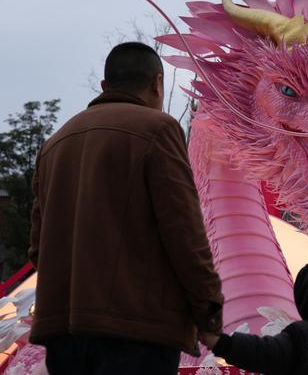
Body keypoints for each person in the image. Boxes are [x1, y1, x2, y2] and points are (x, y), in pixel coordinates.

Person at [28, 42, 224, 375]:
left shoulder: (55, 143)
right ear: (157, 83)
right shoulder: (158, 129)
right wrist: (208, 309)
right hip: (137, 332)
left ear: (105, 87)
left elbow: (37, 248)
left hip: (63, 332)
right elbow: (183, 232)